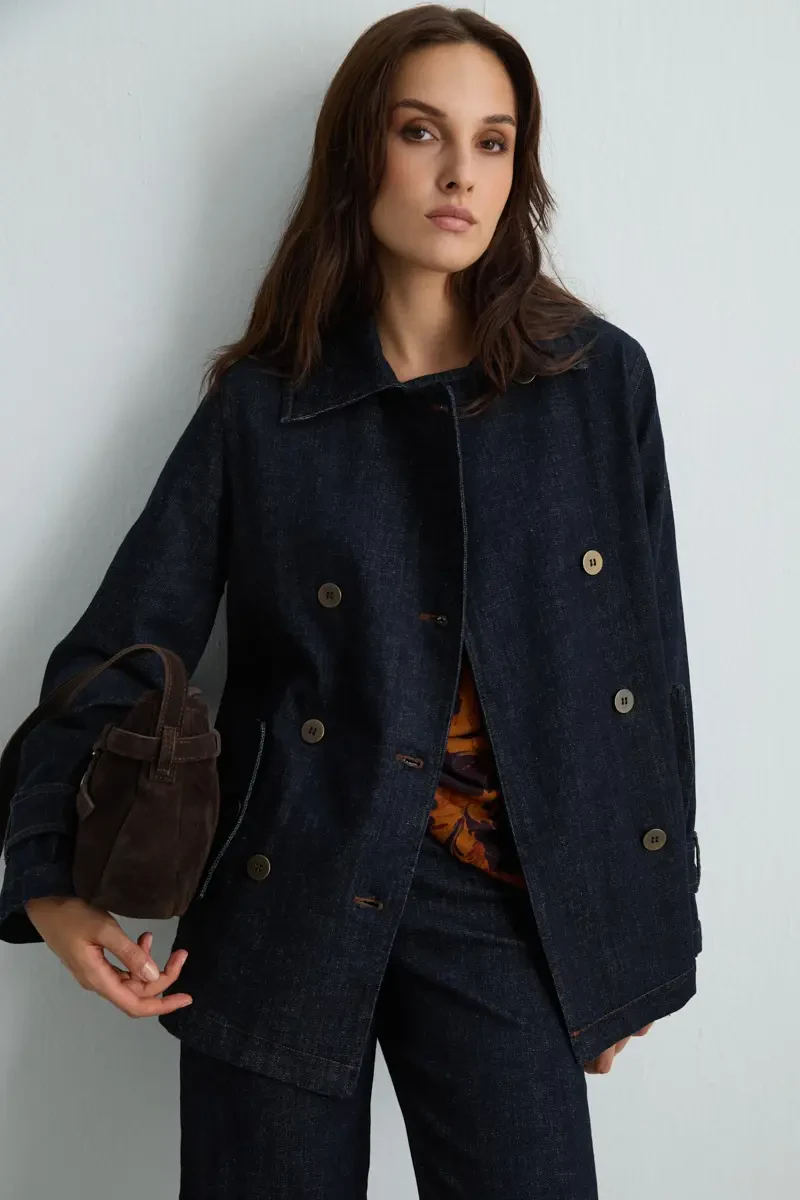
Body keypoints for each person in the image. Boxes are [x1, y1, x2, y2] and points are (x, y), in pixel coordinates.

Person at [0, 5, 701, 1197]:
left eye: (492, 141)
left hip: (502, 900)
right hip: (285, 894)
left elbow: (644, 673)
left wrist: (632, 933)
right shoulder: (263, 406)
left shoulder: (594, 384)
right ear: (356, 153)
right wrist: (49, 884)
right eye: (420, 131)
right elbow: (127, 638)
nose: (459, 172)